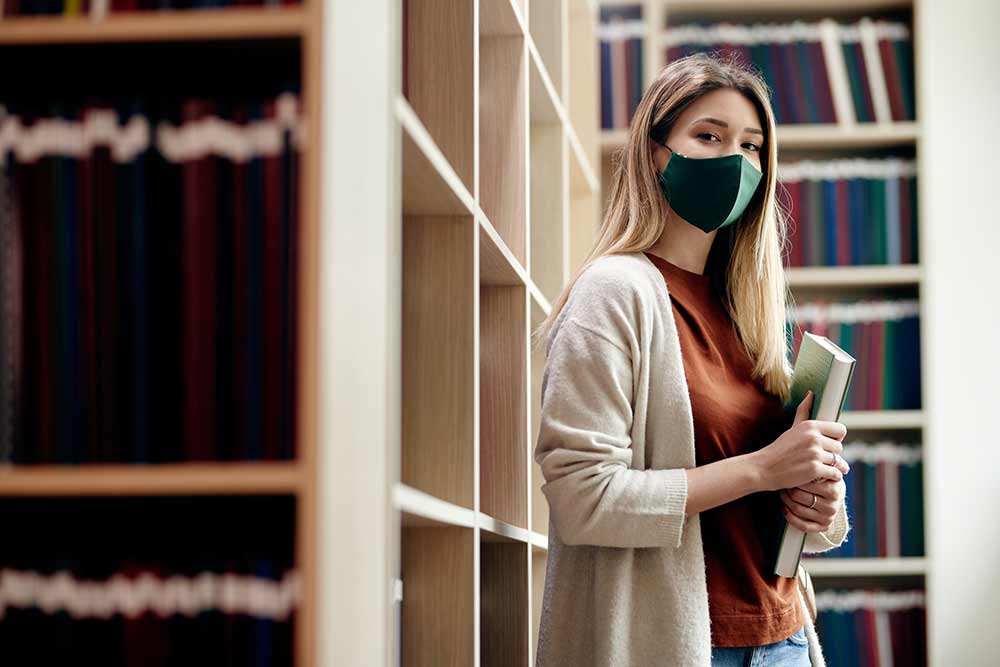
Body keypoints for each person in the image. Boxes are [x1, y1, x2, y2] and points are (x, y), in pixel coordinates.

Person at [531, 52, 852, 667]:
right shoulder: (614, 291)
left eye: (752, 146)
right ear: (655, 152)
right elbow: (583, 499)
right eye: (709, 136)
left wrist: (819, 506)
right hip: (684, 643)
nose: (736, 160)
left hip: (783, 637)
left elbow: (766, 489)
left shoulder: (748, 309)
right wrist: (762, 469)